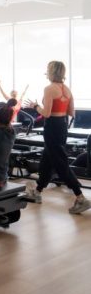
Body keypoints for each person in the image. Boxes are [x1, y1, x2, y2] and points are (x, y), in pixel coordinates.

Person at [24, 61, 91, 214]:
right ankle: (37, 192)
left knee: (61, 164)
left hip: (52, 127)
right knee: (47, 160)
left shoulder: (49, 89)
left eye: (47, 69)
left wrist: (35, 106)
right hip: (62, 126)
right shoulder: (67, 89)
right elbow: (71, 112)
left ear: (51, 72)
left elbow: (46, 113)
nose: (46, 72)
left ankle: (80, 197)